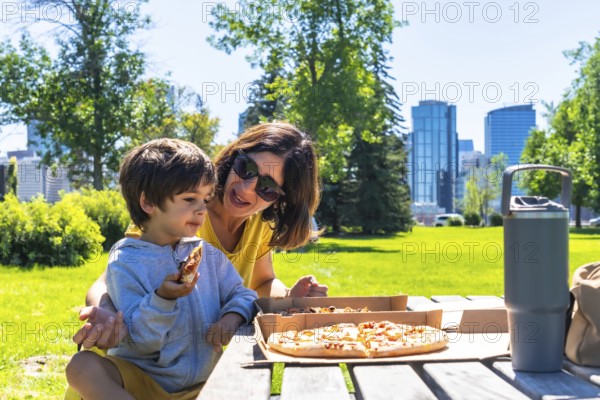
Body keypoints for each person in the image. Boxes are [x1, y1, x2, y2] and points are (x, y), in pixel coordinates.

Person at [73, 122, 328, 350]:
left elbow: (261, 283)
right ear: (233, 158)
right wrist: (105, 312)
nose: (247, 188)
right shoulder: (175, 211)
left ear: (282, 200)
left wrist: (289, 297)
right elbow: (109, 279)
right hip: (139, 360)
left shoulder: (259, 224)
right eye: (247, 168)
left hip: (198, 357)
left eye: (268, 187)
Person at [66, 138, 257, 399]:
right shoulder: (126, 259)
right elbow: (139, 341)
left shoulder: (208, 255)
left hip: (203, 384)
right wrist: (162, 299)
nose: (202, 210)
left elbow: (244, 295)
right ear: (148, 203)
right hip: (142, 379)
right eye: (190, 198)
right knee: (82, 366)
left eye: (206, 199)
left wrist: (231, 318)